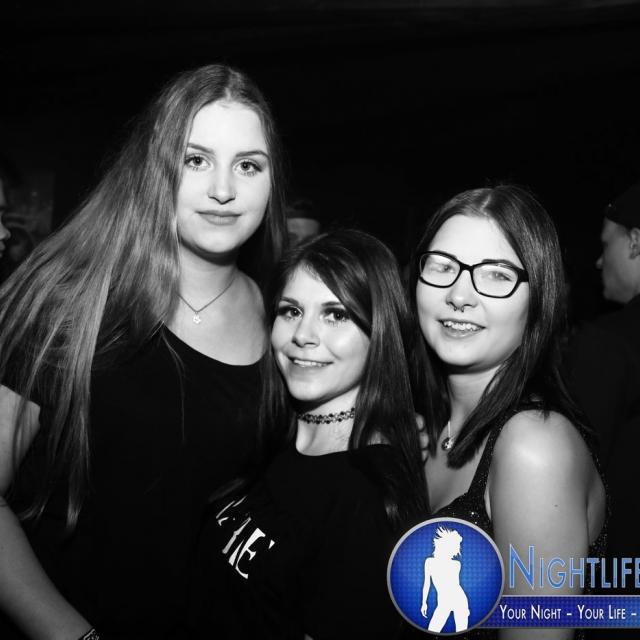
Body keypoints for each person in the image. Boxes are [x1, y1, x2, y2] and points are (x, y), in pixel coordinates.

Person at [0, 64, 286, 639]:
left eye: (248, 165)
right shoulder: (68, 298)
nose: (223, 190)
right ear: (156, 167)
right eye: (195, 160)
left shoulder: (285, 318)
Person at [189, 229, 429, 639]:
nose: (303, 335)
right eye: (291, 311)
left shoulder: (366, 500)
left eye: (336, 315)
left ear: (381, 332)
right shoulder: (272, 431)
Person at [410, 185, 606, 639]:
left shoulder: (535, 449)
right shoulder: (425, 425)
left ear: (539, 298)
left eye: (497, 275)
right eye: (442, 266)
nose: (459, 294)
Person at [564, 181, 640, 570]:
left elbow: (574, 479)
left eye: (606, 244)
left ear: (635, 242)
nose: (598, 261)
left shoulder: (609, 343)